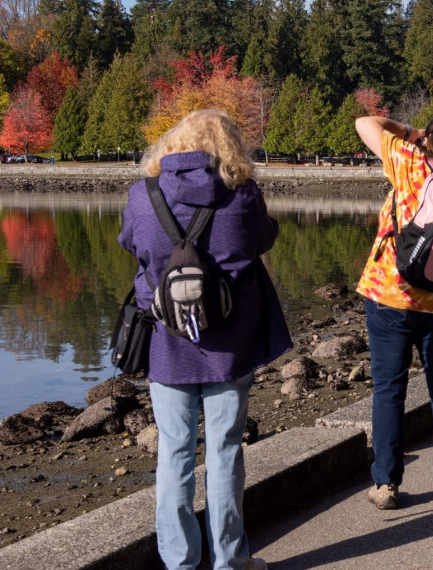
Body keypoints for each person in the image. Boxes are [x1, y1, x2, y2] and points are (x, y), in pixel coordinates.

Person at [117, 110, 289, 570]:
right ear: (229, 146)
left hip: (166, 341)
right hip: (230, 345)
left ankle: (179, 562)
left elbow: (132, 244)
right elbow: (264, 239)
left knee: (173, 452)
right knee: (225, 450)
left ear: (172, 144)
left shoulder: (142, 195)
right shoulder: (244, 195)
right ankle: (231, 560)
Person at [354, 115, 433, 510]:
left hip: (391, 292)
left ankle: (387, 484)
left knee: (389, 389)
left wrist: (412, 133)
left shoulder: (410, 160)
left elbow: (365, 122)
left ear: (429, 140)